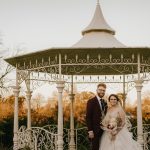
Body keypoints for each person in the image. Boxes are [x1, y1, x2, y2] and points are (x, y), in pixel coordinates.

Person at [86, 83, 108, 150]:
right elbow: (88, 117)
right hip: (95, 130)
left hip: (104, 130)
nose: (102, 92)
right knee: (95, 147)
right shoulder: (91, 101)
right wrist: (90, 130)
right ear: (96, 90)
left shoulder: (105, 102)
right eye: (100, 90)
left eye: (103, 90)